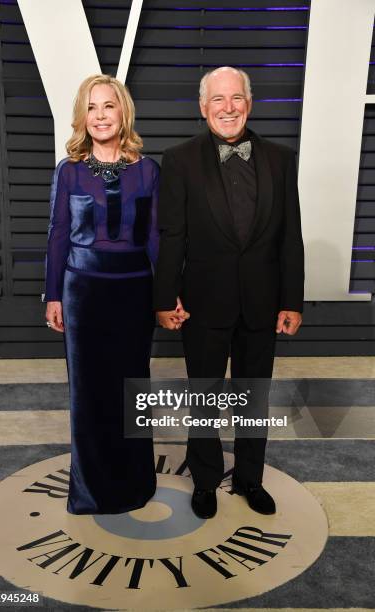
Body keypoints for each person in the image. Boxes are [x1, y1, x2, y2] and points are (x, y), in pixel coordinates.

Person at [154, 66, 304, 519]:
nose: (228, 107)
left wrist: (291, 300)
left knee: (253, 395)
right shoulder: (179, 160)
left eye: (236, 98)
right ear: (203, 108)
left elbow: (289, 235)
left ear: (249, 102)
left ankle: (249, 478)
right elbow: (172, 235)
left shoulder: (280, 158)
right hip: (202, 304)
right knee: (205, 394)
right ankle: (204, 481)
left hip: (263, 302)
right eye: (218, 100)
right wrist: (164, 298)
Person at [44, 74, 159, 514]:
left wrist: (167, 295)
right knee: (89, 393)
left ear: (122, 112)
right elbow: (57, 234)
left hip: (134, 292)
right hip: (82, 292)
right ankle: (92, 491)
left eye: (108, 106)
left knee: (132, 390)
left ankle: (134, 485)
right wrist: (53, 295)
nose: (100, 116)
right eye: (92, 108)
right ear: (82, 117)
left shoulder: (147, 170)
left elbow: (155, 239)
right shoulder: (68, 170)